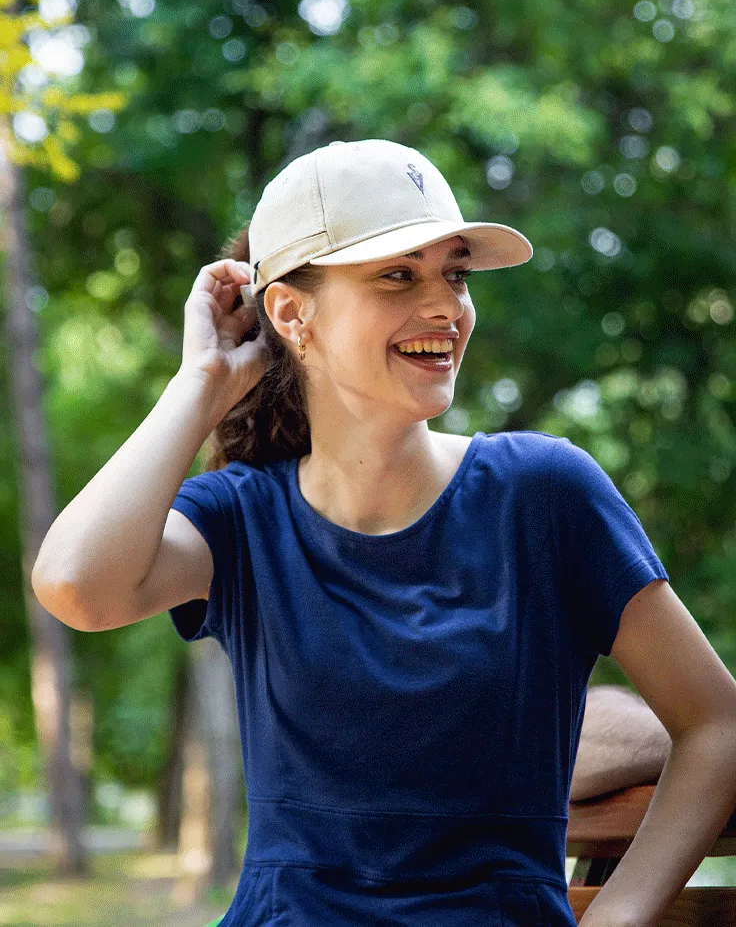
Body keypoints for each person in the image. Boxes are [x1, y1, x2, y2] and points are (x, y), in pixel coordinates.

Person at [32, 139, 736, 927]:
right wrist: (204, 384)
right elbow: (74, 585)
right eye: (399, 275)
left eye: (455, 273)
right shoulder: (242, 517)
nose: (446, 306)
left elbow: (717, 721)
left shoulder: (544, 493)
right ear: (293, 314)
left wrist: (619, 915)